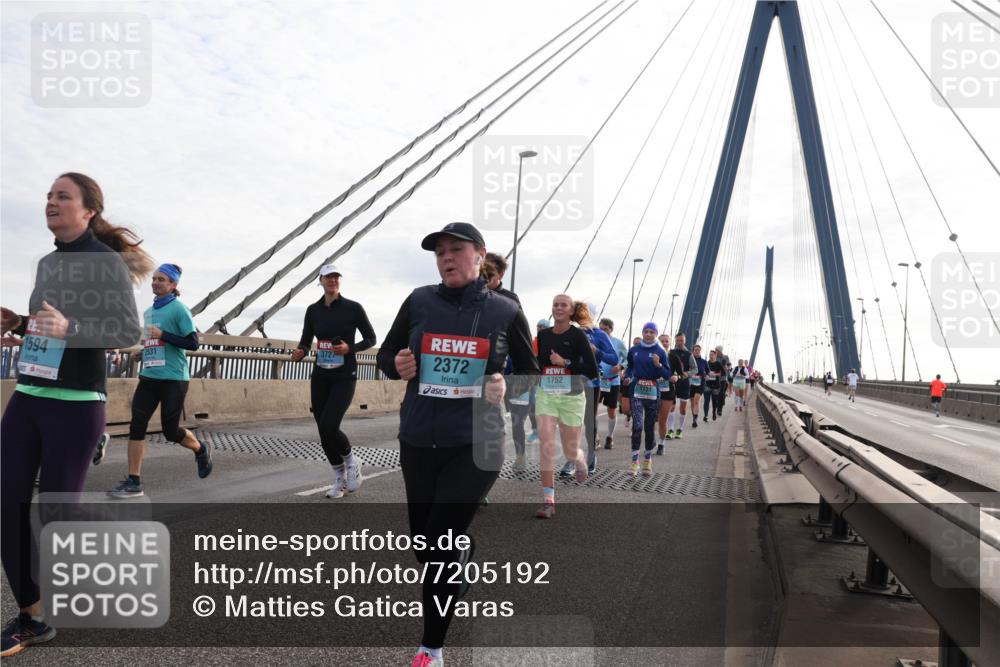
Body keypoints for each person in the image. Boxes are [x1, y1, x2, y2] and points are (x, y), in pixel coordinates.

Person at [375, 222, 537, 667]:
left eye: (456, 249)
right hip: (418, 439)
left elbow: (530, 373)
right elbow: (386, 354)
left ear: (480, 255)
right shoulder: (419, 301)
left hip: (477, 442)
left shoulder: (505, 311)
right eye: (439, 252)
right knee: (424, 547)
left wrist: (506, 383)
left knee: (439, 542)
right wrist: (399, 364)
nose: (446, 257)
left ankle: (431, 649)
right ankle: (457, 564)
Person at [1, 172, 147, 657]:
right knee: (7, 506)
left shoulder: (106, 262)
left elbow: (128, 330)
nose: (51, 202)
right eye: (47, 195)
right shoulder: (45, 262)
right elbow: (50, 324)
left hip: (78, 403)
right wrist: (21, 325)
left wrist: (71, 328)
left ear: (88, 211)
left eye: (62, 196)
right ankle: (33, 616)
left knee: (57, 511)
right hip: (29, 395)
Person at [108, 264, 211, 499]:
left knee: (170, 430)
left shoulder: (179, 310)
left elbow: (193, 343)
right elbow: (153, 341)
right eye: (154, 279)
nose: (155, 283)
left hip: (173, 379)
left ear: (173, 285)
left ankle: (200, 449)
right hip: (149, 377)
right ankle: (133, 480)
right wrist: (142, 353)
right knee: (137, 424)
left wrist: (163, 335)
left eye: (161, 280)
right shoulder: (148, 312)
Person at [290, 264, 376, 498]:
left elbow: (371, 338)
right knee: (323, 429)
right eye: (329, 277)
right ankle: (339, 478)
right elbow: (306, 340)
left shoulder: (353, 308)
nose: (333, 280)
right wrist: (300, 352)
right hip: (321, 374)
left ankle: (351, 461)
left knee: (329, 425)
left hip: (344, 374)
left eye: (337, 277)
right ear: (321, 280)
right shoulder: (313, 310)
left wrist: (350, 348)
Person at [537, 295, 598, 513]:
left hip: (571, 396)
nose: (559, 307)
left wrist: (566, 363)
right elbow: (538, 364)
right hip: (547, 395)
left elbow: (591, 370)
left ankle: (579, 459)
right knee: (546, 446)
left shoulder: (578, 335)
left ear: (571, 311)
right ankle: (548, 501)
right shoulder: (542, 335)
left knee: (571, 449)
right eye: (555, 304)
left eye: (564, 305)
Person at [569, 302, 615, 475]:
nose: (580, 316)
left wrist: (597, 351)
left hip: (592, 383)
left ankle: (591, 455)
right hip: (572, 382)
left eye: (584, 313)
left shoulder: (599, 334)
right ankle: (571, 458)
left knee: (589, 420)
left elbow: (613, 358)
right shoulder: (570, 331)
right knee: (570, 421)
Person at [624, 323, 672, 475]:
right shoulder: (634, 350)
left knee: (649, 427)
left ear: (656, 334)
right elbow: (630, 367)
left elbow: (667, 374)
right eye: (646, 332)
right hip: (637, 391)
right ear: (642, 333)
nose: (648, 334)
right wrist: (627, 376)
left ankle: (647, 459)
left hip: (653, 392)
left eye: (652, 332)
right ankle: (634, 462)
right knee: (637, 426)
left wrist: (658, 366)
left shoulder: (660, 351)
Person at [598, 318, 627, 449]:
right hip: (597, 381)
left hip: (613, 381)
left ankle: (610, 436)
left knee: (611, 410)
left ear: (611, 329)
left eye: (606, 329)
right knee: (592, 410)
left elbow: (628, 359)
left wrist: (621, 366)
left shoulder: (618, 343)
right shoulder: (595, 342)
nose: (603, 331)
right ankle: (595, 437)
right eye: (601, 329)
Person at [666, 332, 698, 439]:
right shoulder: (671, 352)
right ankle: (670, 430)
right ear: (675, 340)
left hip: (684, 382)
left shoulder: (689, 354)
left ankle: (680, 429)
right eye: (678, 340)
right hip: (673, 382)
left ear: (685, 341)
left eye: (681, 340)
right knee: (672, 406)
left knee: (683, 408)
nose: (679, 342)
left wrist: (687, 374)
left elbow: (695, 369)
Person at [654, 334, 675, 454]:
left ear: (669, 343)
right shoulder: (652, 356)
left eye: (666, 341)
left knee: (662, 420)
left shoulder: (673, 357)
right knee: (651, 419)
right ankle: (651, 441)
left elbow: (680, 373)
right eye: (662, 341)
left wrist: (676, 376)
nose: (664, 343)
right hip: (653, 389)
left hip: (667, 391)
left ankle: (661, 444)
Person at [689, 344, 707, 427]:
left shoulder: (703, 361)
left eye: (698, 350)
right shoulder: (689, 361)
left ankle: (695, 420)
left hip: (700, 383)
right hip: (691, 383)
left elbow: (708, 371)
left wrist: (707, 376)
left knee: (696, 401)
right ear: (693, 351)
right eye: (695, 350)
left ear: (700, 351)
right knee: (692, 402)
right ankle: (694, 417)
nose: (697, 351)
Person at [704, 349, 724, 421]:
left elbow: (723, 373)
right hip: (707, 384)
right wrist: (705, 375)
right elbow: (703, 372)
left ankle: (714, 412)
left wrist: (715, 374)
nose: (710, 356)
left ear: (715, 355)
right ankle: (706, 416)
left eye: (712, 355)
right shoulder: (706, 363)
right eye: (710, 355)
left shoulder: (718, 364)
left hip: (716, 385)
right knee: (706, 401)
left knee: (714, 401)